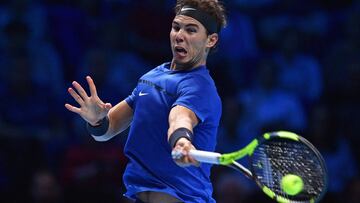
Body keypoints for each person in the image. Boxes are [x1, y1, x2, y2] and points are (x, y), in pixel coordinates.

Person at [65, 0, 227, 202]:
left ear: (211, 40)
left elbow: (180, 118)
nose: (180, 36)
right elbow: (107, 131)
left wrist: (182, 141)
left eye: (191, 30)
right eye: (176, 27)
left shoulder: (200, 87)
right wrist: (97, 120)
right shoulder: (153, 76)